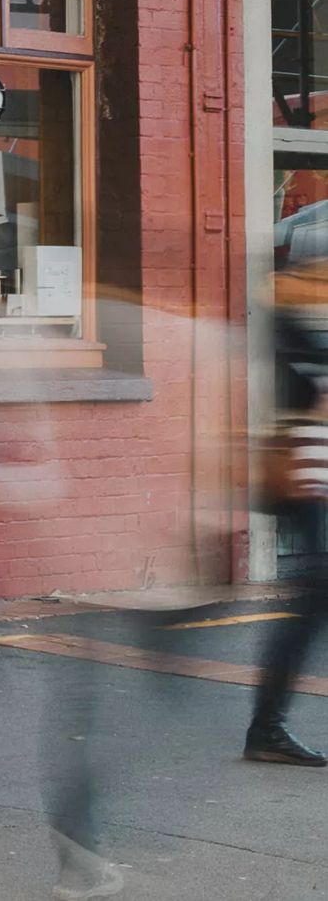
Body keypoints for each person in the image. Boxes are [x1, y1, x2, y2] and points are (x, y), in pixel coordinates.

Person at [244, 259, 328, 767]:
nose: (320, 286)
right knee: (307, 609)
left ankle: (267, 727)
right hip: (301, 484)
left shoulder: (295, 331)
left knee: (308, 609)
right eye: (311, 278)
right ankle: (266, 728)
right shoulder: (274, 332)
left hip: (313, 480)